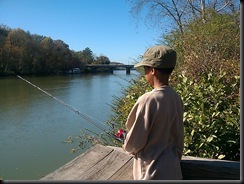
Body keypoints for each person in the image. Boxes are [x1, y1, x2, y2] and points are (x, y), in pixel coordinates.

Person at [122, 45, 184, 180]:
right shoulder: (176, 97)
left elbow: (134, 143)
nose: (145, 74)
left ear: (153, 70)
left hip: (151, 173)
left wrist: (125, 143)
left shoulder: (148, 99)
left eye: (145, 69)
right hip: (174, 171)